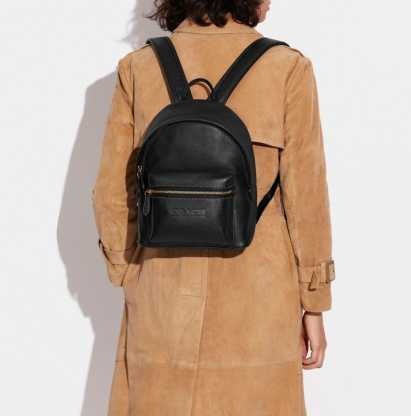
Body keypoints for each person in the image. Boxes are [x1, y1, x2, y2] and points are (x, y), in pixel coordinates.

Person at [92, 1, 336, 415]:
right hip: (259, 299)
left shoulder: (140, 68)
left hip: (163, 294)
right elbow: (307, 197)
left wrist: (128, 271)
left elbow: (112, 191)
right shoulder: (287, 69)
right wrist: (314, 300)